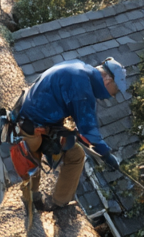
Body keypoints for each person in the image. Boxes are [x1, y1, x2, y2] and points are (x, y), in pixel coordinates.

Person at [16, 58, 127, 210]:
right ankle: (44, 203)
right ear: (108, 80)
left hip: (39, 117)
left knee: (72, 153)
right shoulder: (82, 87)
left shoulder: (79, 67)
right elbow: (89, 131)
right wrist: (107, 156)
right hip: (33, 126)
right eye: (115, 90)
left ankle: (46, 200)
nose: (112, 96)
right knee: (52, 158)